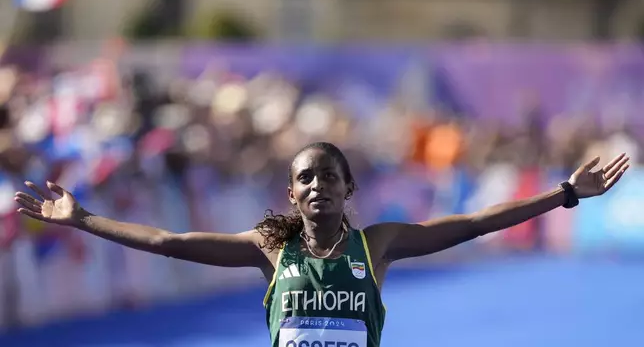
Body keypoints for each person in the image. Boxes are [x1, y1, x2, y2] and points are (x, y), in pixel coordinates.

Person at [14, 142, 629, 347]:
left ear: (348, 187)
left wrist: (563, 195)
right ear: (291, 192)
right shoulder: (270, 247)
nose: (317, 186)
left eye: (328, 176)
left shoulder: (379, 245)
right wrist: (85, 218)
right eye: (305, 178)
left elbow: (472, 224)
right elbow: (172, 240)